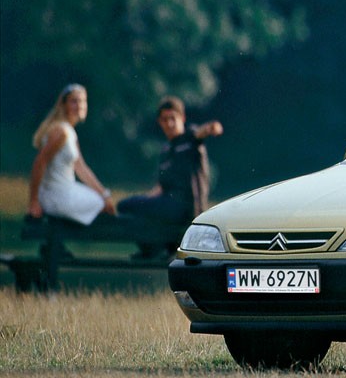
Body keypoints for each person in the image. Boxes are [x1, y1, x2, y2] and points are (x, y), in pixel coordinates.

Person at [118, 96, 223, 256]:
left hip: (188, 207)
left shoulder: (190, 139)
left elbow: (201, 132)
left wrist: (212, 128)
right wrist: (145, 200)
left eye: (173, 118)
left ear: (182, 118)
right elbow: (160, 187)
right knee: (127, 207)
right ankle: (153, 249)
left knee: (127, 205)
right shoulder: (166, 150)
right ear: (160, 122)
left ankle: (155, 250)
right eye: (165, 120)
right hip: (168, 205)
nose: (169, 124)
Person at [28, 83, 116, 225]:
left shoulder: (70, 131)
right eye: (74, 101)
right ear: (64, 105)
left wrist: (104, 194)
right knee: (102, 205)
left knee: (103, 202)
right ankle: (60, 237)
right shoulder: (60, 132)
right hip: (56, 195)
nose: (80, 105)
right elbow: (40, 162)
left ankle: (63, 241)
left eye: (82, 101)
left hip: (65, 191)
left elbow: (80, 167)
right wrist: (33, 202)